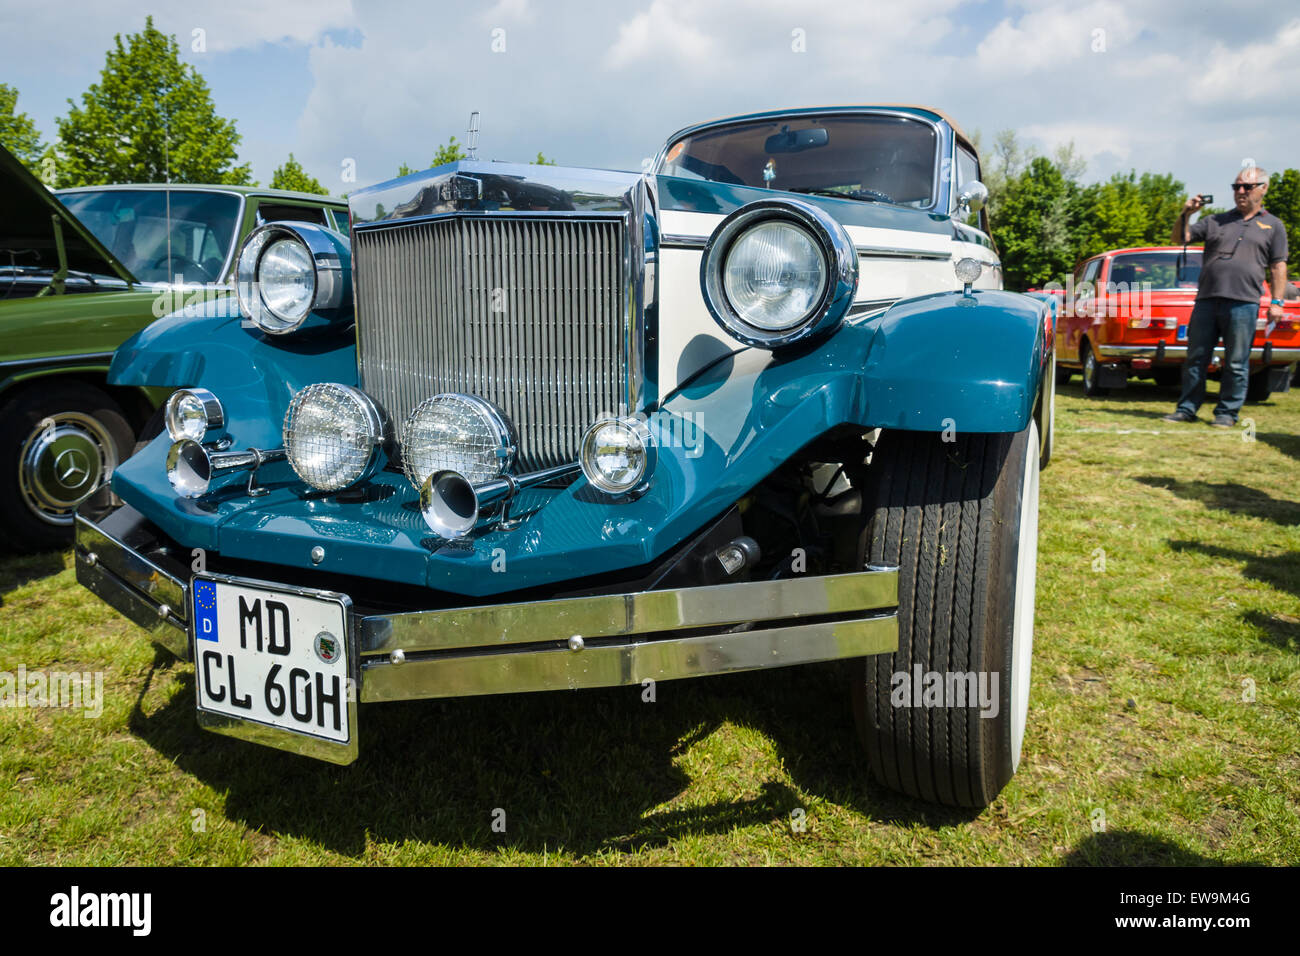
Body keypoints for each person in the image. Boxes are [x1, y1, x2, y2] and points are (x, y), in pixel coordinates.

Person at [1163, 167, 1290, 427]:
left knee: (1236, 361)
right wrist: (1186, 213)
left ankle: (1227, 413)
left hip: (1244, 302)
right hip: (1208, 299)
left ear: (1263, 188)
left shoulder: (1274, 226)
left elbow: (1278, 266)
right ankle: (1186, 409)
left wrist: (1277, 303)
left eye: (1247, 187)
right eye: (1236, 187)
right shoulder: (1214, 220)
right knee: (1196, 357)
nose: (1240, 192)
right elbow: (1180, 238)